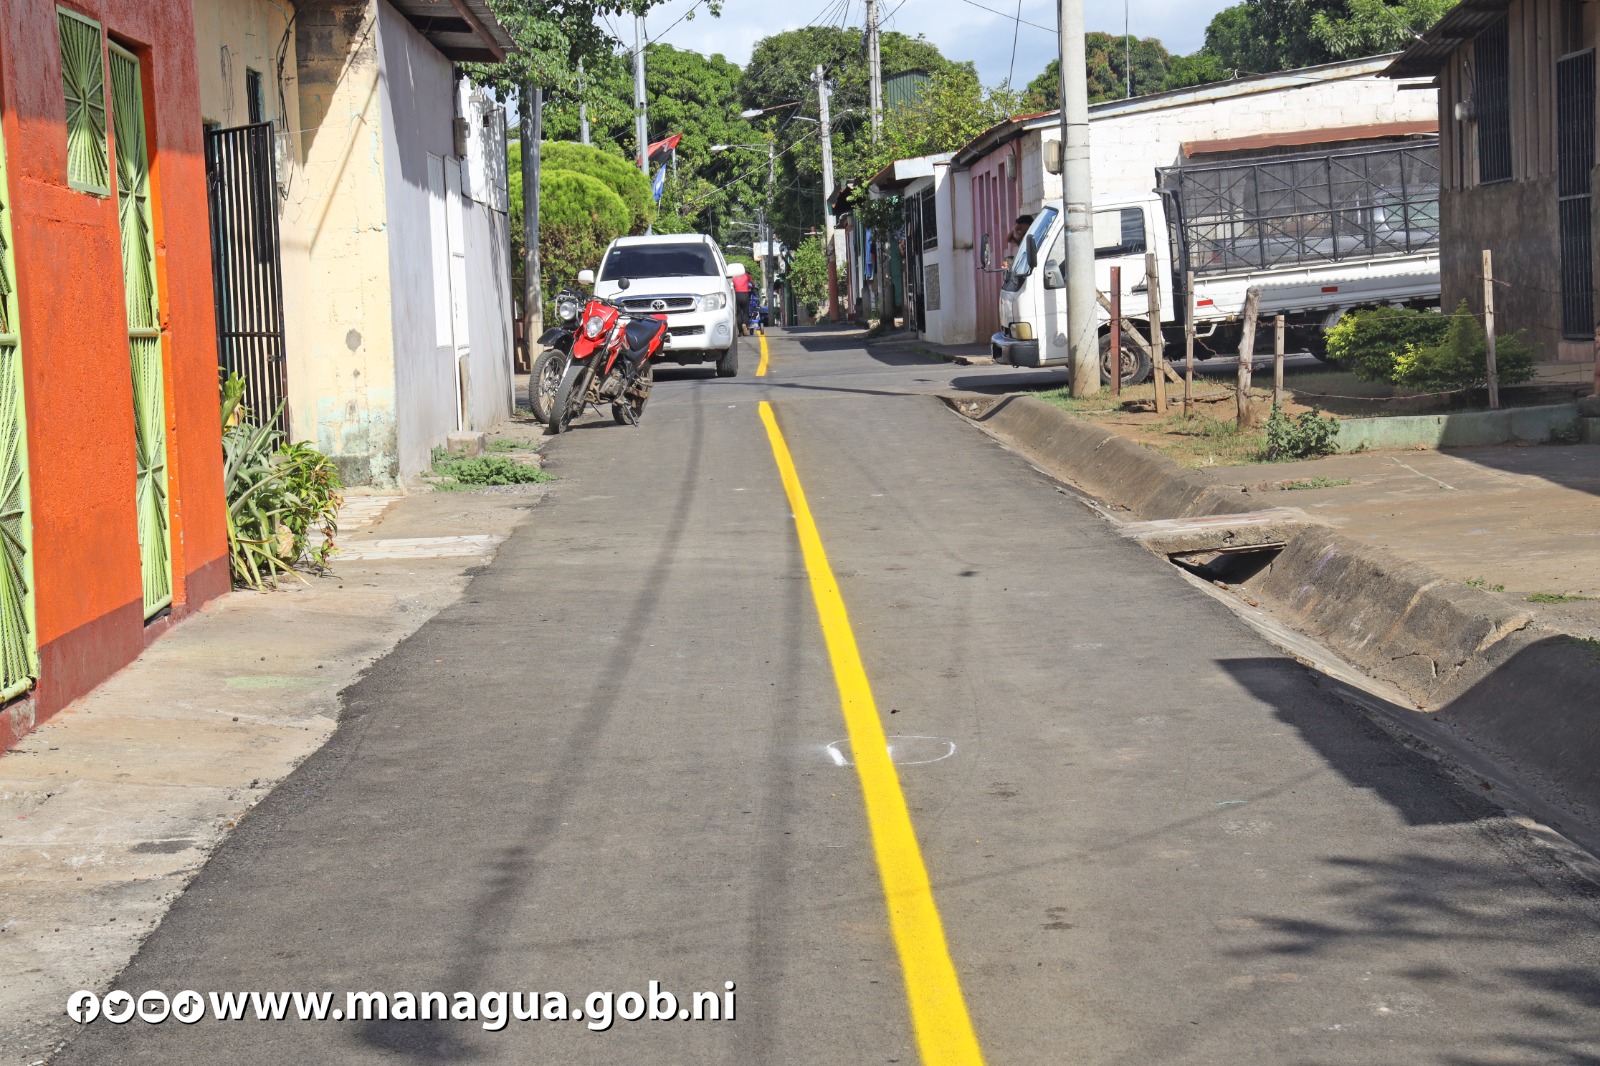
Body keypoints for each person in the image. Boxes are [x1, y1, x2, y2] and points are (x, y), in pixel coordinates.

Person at [732, 269, 752, 336]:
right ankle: (744, 323)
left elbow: (731, 285)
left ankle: (740, 331)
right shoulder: (746, 275)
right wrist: (751, 287)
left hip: (737, 295)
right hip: (745, 294)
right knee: (746, 311)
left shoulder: (734, 276)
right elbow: (753, 283)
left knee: (738, 313)